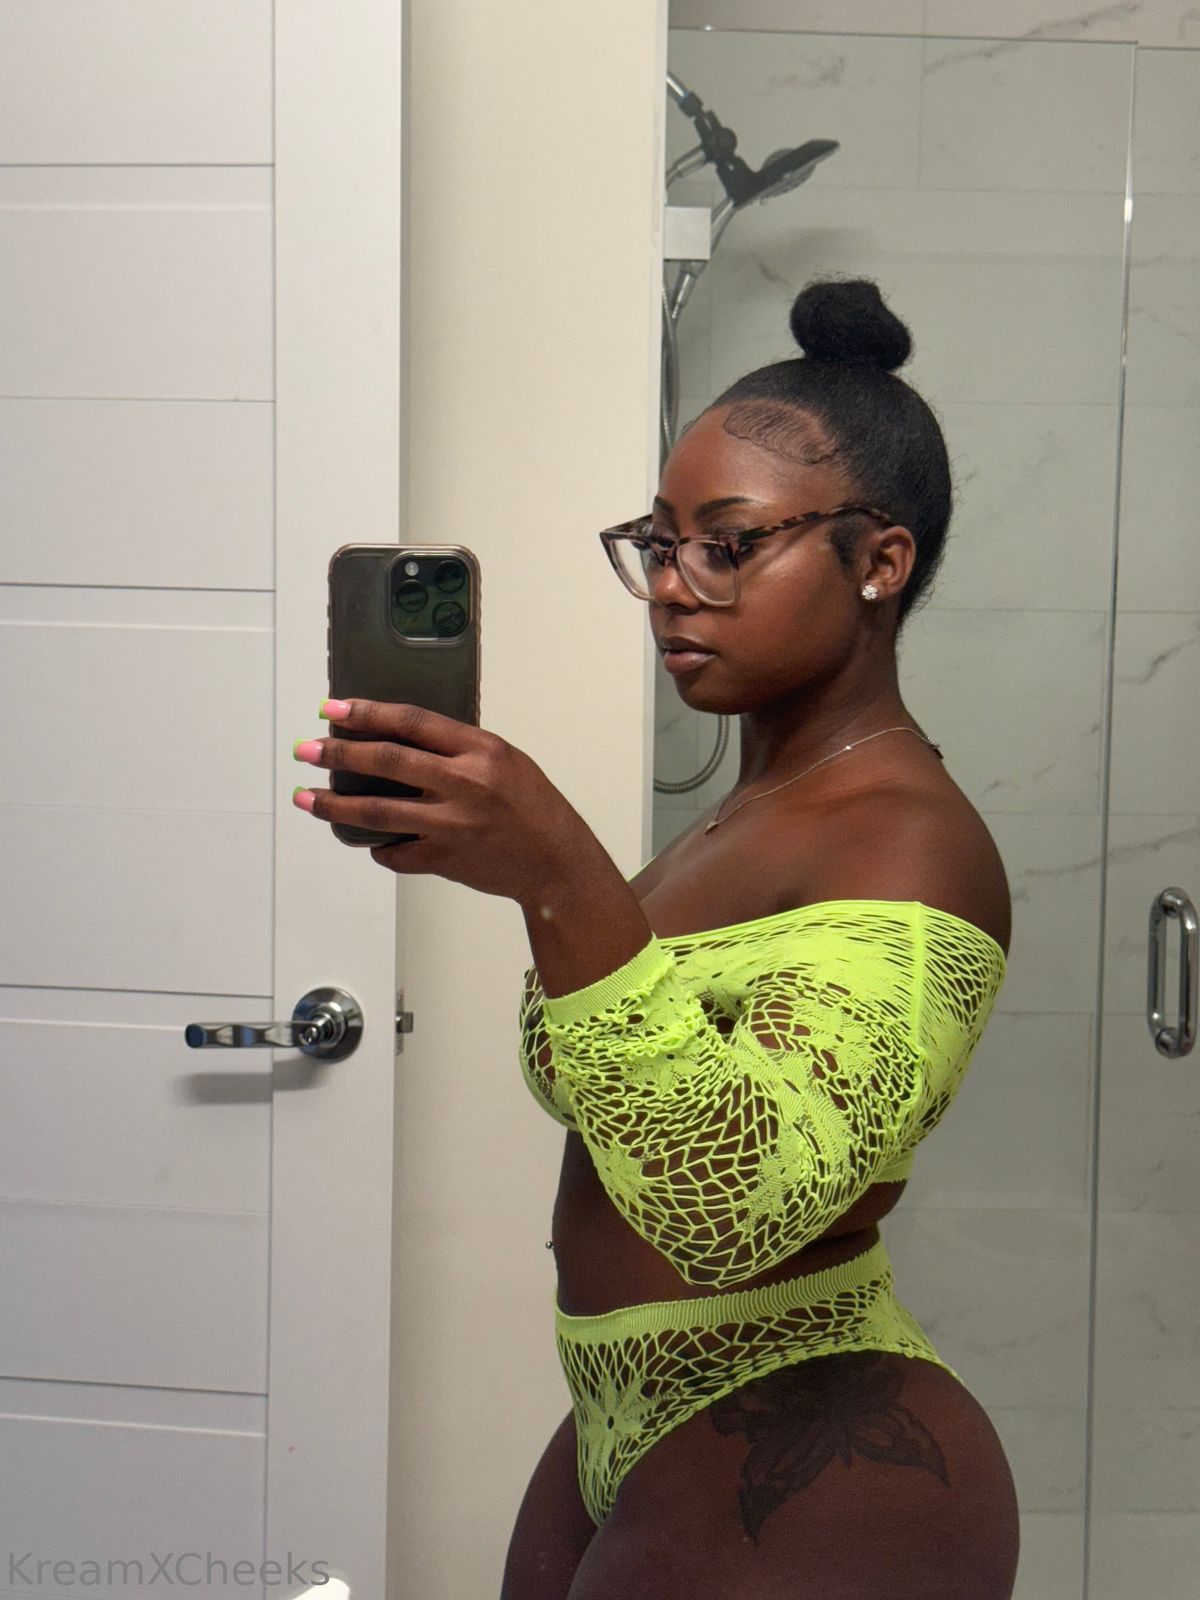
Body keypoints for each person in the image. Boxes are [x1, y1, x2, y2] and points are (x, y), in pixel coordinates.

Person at [292, 277, 1018, 1598]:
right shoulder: (737, 821)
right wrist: (529, 875)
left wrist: (557, 871)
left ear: (878, 562)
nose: (673, 588)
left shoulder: (911, 842)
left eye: (728, 546)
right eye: (659, 542)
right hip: (619, 1406)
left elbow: (734, 1203)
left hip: (815, 1425)